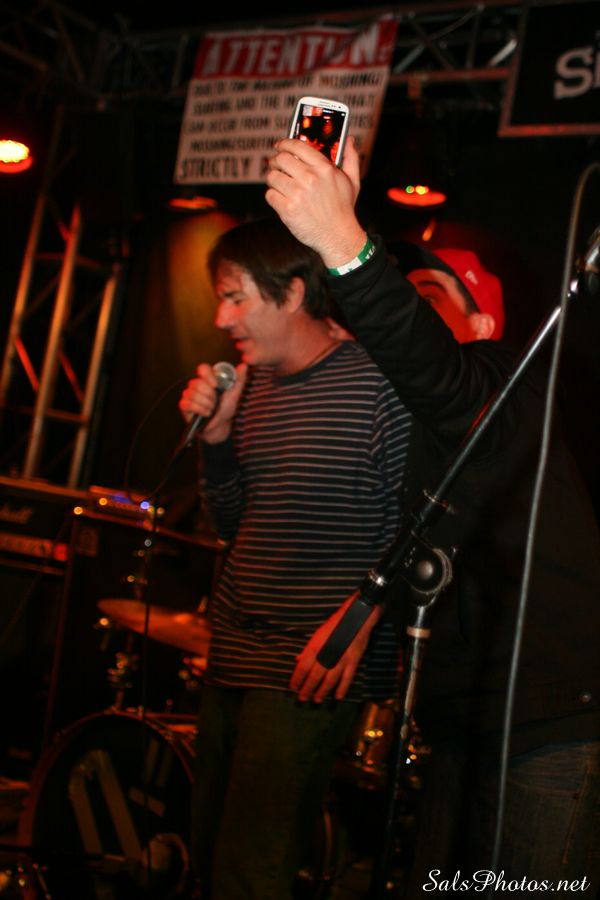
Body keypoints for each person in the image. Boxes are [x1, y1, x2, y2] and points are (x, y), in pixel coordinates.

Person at [265, 136, 600, 896]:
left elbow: (437, 372)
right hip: (462, 725)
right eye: (404, 295)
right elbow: (435, 531)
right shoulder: (426, 436)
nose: (410, 311)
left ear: (481, 325)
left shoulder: (504, 380)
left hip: (550, 728)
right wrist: (364, 607)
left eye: (430, 297)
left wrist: (345, 244)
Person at [177, 217, 412, 899]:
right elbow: (232, 526)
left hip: (310, 665)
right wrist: (217, 439)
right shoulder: (251, 386)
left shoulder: (380, 385)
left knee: (250, 873)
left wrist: (358, 620)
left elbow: (423, 529)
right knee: (205, 856)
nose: (222, 319)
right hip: (233, 651)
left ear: (295, 292)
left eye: (236, 298)